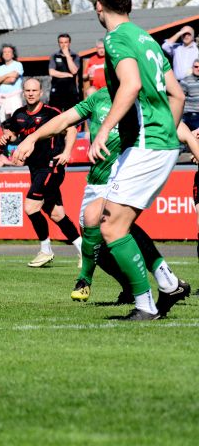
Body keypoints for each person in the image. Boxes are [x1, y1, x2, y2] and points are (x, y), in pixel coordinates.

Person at [14, 87, 193, 305]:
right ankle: (149, 284)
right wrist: (32, 137)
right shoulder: (99, 97)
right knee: (99, 241)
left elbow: (178, 127)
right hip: (95, 182)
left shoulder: (142, 97)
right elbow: (65, 120)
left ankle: (93, 282)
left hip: (122, 177)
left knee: (113, 226)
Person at [88, 0, 189, 320]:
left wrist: (103, 131)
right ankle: (167, 282)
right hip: (159, 143)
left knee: (110, 226)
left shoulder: (116, 39)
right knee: (120, 221)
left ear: (98, 6)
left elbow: (129, 86)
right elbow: (179, 95)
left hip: (146, 145)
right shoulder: (147, 39)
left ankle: (146, 306)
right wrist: (166, 135)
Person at [0, 78, 82, 267]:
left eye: (34, 90)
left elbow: (71, 129)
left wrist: (67, 152)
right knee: (56, 214)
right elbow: (13, 133)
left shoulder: (51, 113)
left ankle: (46, 250)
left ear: (41, 92)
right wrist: (7, 138)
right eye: (27, 90)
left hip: (52, 166)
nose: (30, 93)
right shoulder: (19, 114)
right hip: (35, 169)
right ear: (23, 92)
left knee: (30, 207)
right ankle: (84, 250)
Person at [48, 34, 81, 112]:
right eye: (61, 42)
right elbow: (51, 72)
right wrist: (67, 74)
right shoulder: (54, 56)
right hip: (57, 91)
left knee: (70, 115)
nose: (63, 45)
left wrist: (67, 56)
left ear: (69, 43)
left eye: (66, 42)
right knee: (54, 114)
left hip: (70, 91)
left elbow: (74, 71)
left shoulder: (75, 56)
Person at [0, 44, 24, 122]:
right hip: (2, 98)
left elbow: (12, 80)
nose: (6, 53)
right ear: (2, 55)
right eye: (4, 52)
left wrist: (0, 80)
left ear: (13, 54)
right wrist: (7, 75)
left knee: (17, 120)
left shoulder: (18, 65)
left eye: (9, 52)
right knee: (4, 122)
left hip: (14, 97)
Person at [180, 59, 199, 131]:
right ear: (192, 68)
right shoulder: (185, 81)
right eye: (196, 67)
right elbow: (180, 98)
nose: (198, 69)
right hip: (191, 114)